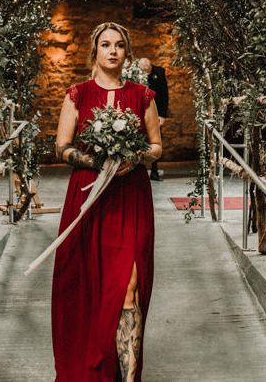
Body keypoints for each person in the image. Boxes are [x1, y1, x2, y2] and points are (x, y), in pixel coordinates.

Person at [52, 22, 162, 381]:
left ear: (126, 52)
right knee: (89, 283)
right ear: (94, 51)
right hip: (88, 197)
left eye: (118, 45)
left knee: (129, 282)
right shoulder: (77, 94)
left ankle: (129, 378)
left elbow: (157, 145)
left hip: (130, 198)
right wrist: (96, 161)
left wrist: (135, 157)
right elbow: (61, 146)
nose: (112, 51)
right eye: (105, 45)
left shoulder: (143, 95)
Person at [137, 58, 169, 181]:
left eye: (146, 70)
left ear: (150, 66)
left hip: (155, 112)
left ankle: (154, 171)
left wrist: (162, 115)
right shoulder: (135, 72)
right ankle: (139, 170)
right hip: (140, 111)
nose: (145, 72)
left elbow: (164, 94)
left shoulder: (159, 72)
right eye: (142, 70)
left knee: (155, 141)